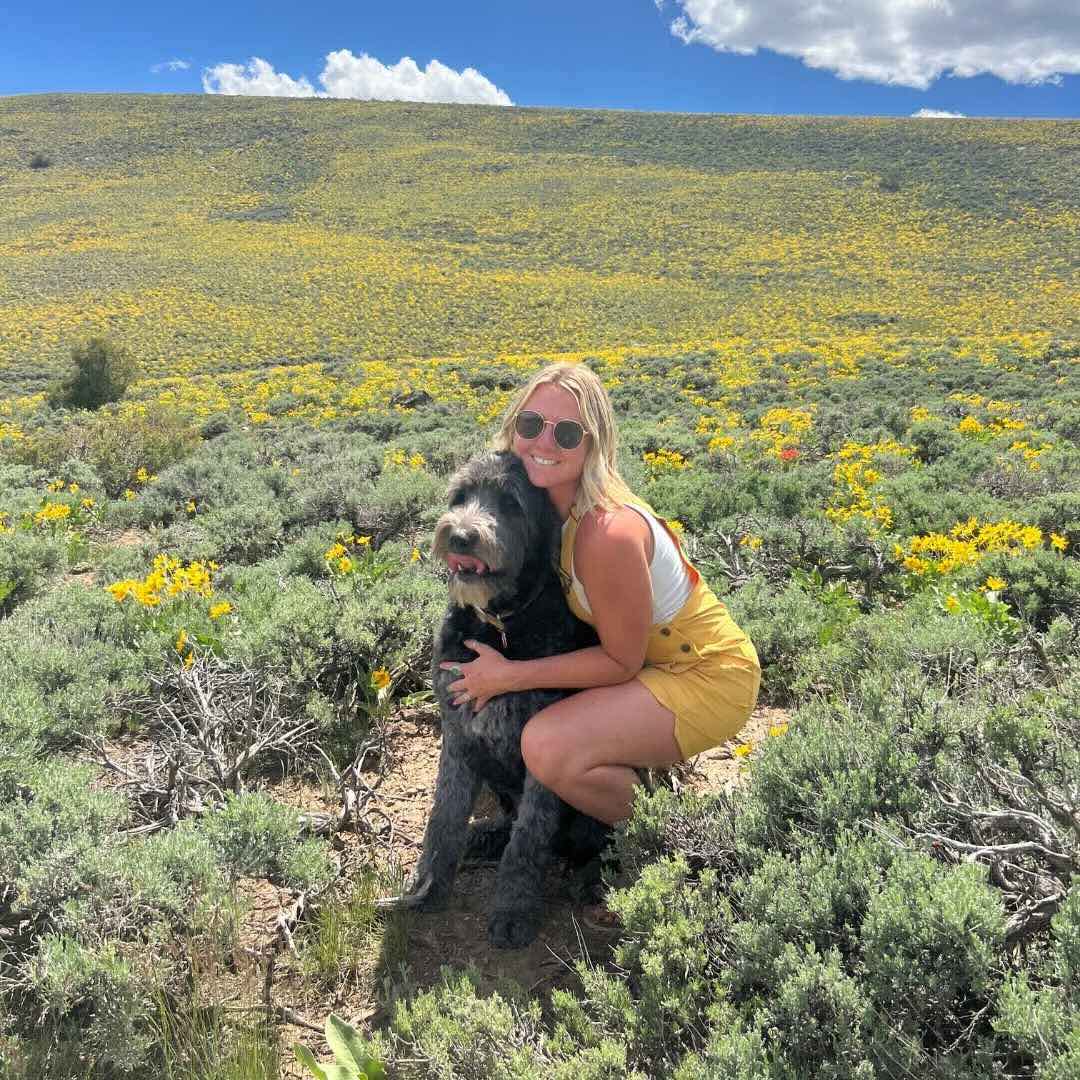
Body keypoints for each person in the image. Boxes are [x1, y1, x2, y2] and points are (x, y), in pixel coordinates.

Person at [440, 362, 760, 827]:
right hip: (654, 668)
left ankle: (678, 836)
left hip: (705, 674)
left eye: (567, 434)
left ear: (593, 445)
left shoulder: (603, 533)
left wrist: (508, 677)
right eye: (531, 425)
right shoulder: (549, 512)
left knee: (547, 746)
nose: (544, 443)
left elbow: (621, 662)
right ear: (513, 428)